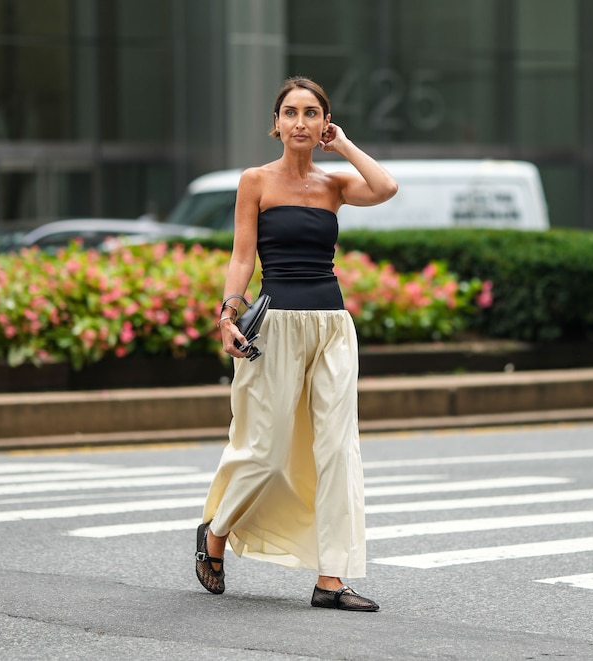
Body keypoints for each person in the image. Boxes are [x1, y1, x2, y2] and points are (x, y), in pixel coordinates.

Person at [195, 76, 398, 612]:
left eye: (312, 114)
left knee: (337, 451)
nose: (301, 123)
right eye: (291, 113)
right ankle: (215, 534)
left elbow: (384, 188)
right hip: (275, 325)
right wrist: (226, 314)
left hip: (332, 326)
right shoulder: (255, 181)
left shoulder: (334, 185)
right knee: (263, 449)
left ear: (323, 123)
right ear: (276, 124)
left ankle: (331, 580)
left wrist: (346, 144)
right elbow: (242, 257)